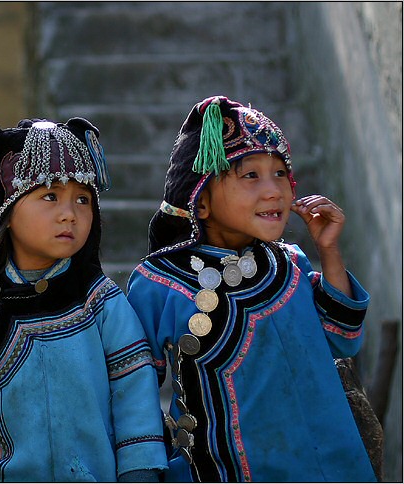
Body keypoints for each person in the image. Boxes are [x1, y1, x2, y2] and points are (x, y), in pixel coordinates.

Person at [125, 95, 376, 482]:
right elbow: (132, 391)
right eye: (250, 175)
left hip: (330, 466)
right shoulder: (160, 282)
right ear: (201, 199)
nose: (274, 190)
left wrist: (328, 250)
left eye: (280, 173)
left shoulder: (289, 263)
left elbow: (344, 339)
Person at [0, 118, 168, 482]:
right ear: (8, 212)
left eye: (83, 199)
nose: (70, 213)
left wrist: (139, 473)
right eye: (50, 195)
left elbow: (135, 394)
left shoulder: (102, 303)